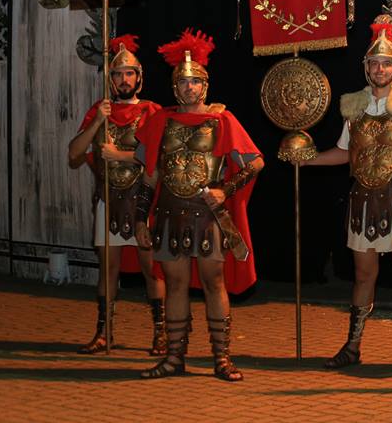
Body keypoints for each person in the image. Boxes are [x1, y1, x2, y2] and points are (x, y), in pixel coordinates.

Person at [300, 23, 392, 373]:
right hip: (363, 200)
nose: (380, 69)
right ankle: (352, 347)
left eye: (386, 63)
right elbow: (344, 153)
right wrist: (306, 160)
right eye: (375, 63)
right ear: (366, 67)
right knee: (364, 277)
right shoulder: (355, 108)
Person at [134, 29, 264, 381]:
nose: (189, 87)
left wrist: (226, 189)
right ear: (175, 86)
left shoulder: (222, 120)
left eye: (195, 81)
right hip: (169, 214)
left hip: (208, 216)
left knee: (213, 282)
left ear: (205, 85)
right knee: (174, 284)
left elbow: (255, 162)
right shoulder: (160, 122)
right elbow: (149, 175)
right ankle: (174, 358)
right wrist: (140, 218)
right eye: (183, 81)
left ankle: (222, 358)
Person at [67, 35, 166, 355]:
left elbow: (160, 158)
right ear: (110, 79)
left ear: (139, 77)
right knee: (107, 270)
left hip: (143, 200)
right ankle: (103, 333)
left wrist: (120, 155)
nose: (124, 80)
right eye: (118, 74)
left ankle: (161, 333)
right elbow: (74, 153)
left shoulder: (151, 111)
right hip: (108, 199)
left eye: (129, 74)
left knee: (151, 268)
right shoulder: (100, 111)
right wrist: (98, 120)